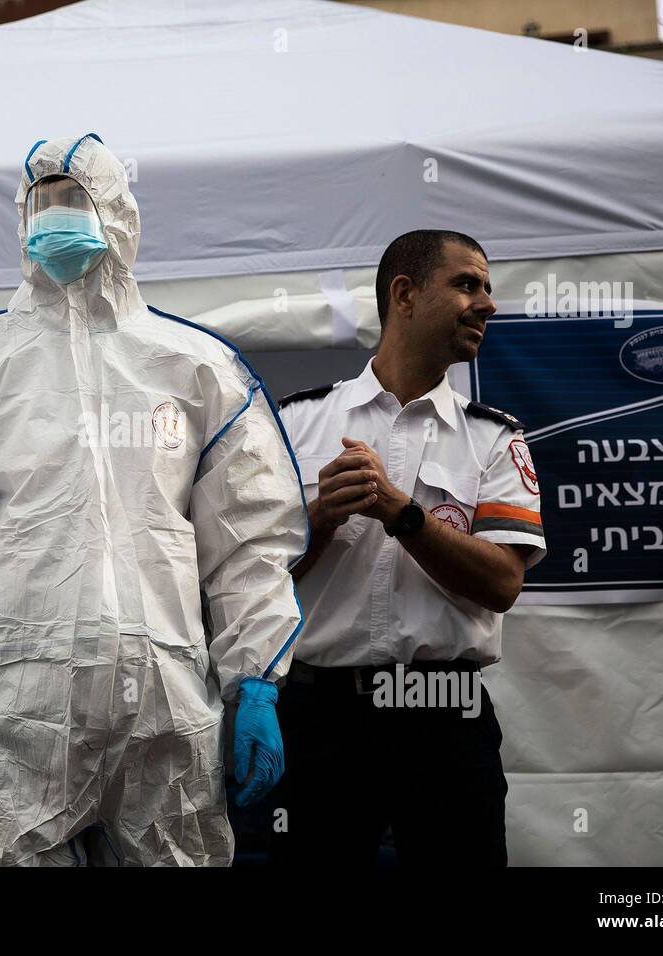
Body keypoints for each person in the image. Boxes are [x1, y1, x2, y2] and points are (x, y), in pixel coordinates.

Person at [0, 133, 307, 866]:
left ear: (119, 214)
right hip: (19, 711)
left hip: (166, 707)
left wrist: (255, 680)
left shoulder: (195, 366)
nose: (56, 218)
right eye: (43, 202)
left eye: (75, 200)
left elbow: (250, 540)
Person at [268, 229, 546, 868]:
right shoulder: (294, 422)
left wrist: (400, 512)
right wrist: (321, 517)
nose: (487, 304)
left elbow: (503, 583)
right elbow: (253, 577)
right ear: (405, 294)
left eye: (487, 288)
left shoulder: (496, 438)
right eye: (467, 284)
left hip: (446, 715)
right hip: (319, 717)